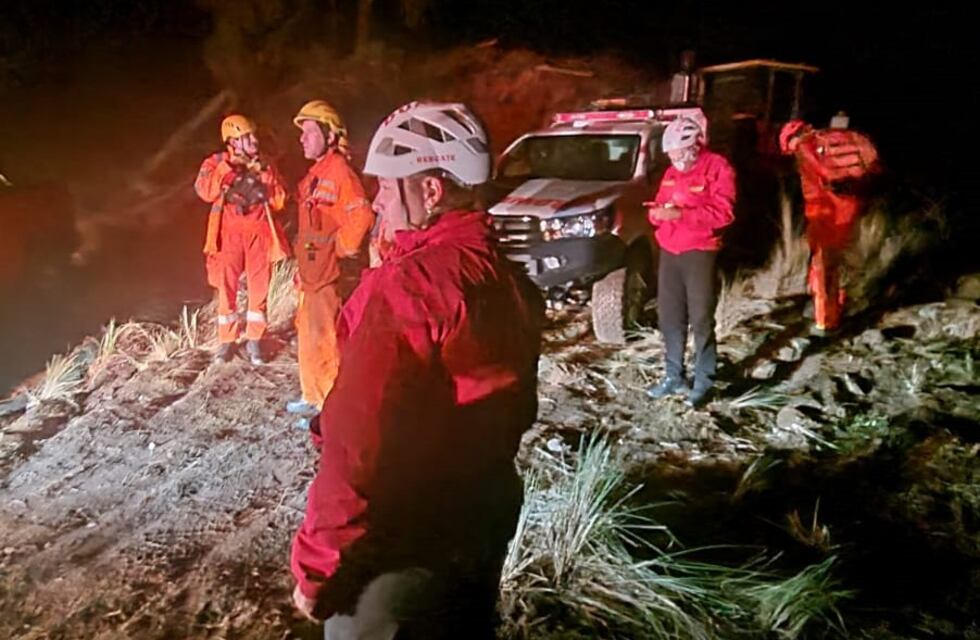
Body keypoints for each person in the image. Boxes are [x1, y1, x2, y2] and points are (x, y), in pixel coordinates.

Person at [289, 101, 544, 639]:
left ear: (429, 192)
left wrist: (315, 569)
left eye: (387, 186)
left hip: (401, 536)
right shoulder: (510, 281)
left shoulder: (409, 287)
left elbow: (356, 444)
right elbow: (518, 405)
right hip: (483, 516)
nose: (378, 200)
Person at [286, 100, 375, 425]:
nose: (303, 138)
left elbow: (361, 214)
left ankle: (330, 406)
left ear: (329, 133)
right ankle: (312, 395)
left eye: (310, 131)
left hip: (328, 273)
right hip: (311, 272)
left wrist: (340, 249)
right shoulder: (316, 175)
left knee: (325, 337)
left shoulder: (339, 172)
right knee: (308, 334)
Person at [645, 116, 735, 408]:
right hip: (670, 251)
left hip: (699, 251)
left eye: (678, 153)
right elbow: (658, 204)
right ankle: (673, 376)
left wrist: (681, 215)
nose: (674, 159)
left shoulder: (718, 167)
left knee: (700, 318)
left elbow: (724, 214)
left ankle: (704, 380)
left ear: (695, 146)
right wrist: (657, 215)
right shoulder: (671, 173)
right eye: (670, 154)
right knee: (670, 317)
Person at [194, 114, 288, 364]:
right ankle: (227, 341)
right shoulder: (215, 163)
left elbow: (279, 201)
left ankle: (255, 340)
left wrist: (265, 177)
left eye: (252, 135)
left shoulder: (264, 164)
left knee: (260, 288)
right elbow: (205, 191)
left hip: (259, 233)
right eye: (246, 137)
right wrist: (229, 170)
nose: (253, 140)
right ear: (233, 142)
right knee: (226, 288)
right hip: (229, 234)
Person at [779, 118, 880, 334]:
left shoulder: (806, 150)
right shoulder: (840, 139)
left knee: (822, 265)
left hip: (826, 214)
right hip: (851, 206)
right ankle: (837, 306)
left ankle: (825, 320)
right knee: (838, 260)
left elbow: (815, 189)